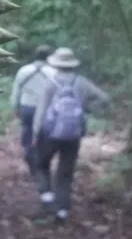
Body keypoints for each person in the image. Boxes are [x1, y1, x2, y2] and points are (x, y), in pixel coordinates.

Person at [31, 47, 109, 222]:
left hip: (49, 133)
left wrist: (36, 132)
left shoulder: (51, 83)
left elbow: (41, 110)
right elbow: (104, 98)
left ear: (56, 64)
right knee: (65, 171)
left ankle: (47, 197)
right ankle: (62, 210)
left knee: (41, 163)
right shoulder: (82, 82)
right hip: (73, 134)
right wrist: (85, 108)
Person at [10, 44, 55, 178]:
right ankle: (42, 166)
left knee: (27, 136)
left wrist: (15, 107)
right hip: (46, 109)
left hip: (26, 107)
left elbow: (16, 91)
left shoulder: (24, 70)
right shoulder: (53, 72)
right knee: (44, 138)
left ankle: (31, 166)